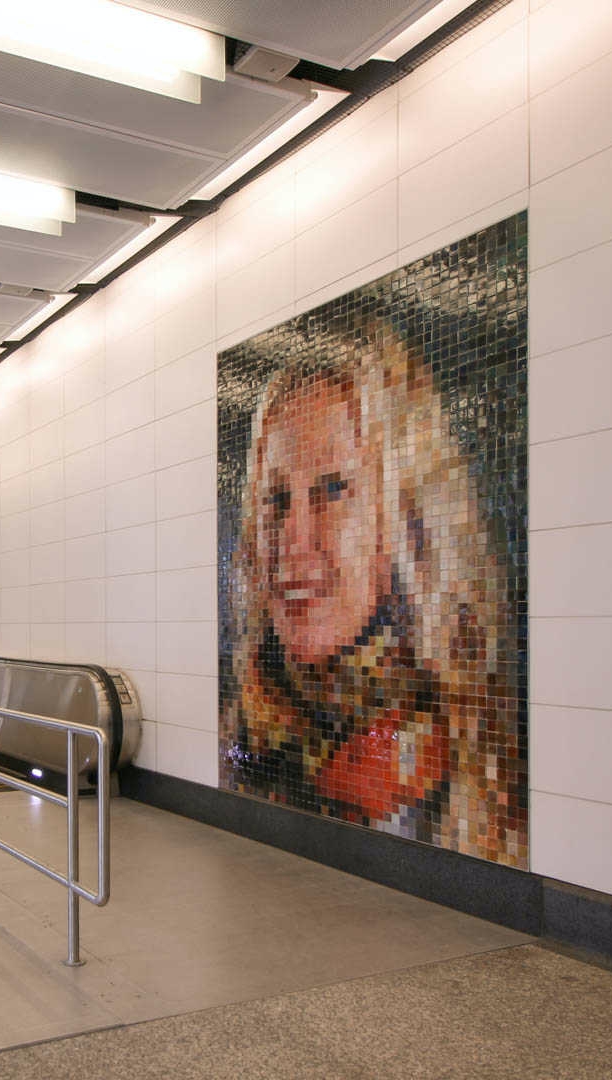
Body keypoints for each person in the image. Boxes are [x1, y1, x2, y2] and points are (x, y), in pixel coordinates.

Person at [222, 318, 525, 867]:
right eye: (276, 499)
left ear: (408, 518)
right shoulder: (239, 732)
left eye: (334, 489)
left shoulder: (480, 775)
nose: (292, 541)